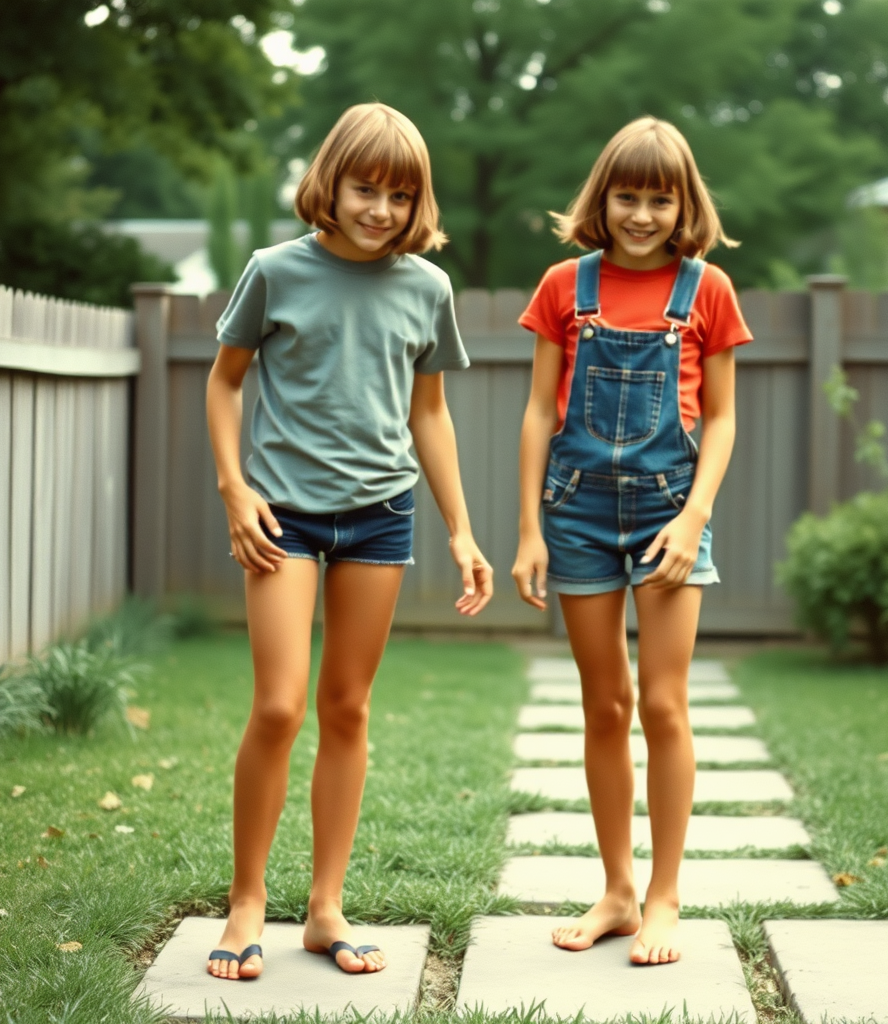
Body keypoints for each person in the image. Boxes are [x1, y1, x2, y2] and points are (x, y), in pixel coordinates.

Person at [205, 103, 493, 980]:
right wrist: (234, 489)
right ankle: (246, 902)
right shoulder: (273, 271)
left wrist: (462, 528)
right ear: (330, 182)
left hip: (380, 515)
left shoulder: (425, 289)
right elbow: (225, 386)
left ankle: (326, 908)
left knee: (348, 709)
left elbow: (430, 414)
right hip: (281, 515)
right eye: (366, 187)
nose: (380, 209)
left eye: (400, 195)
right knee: (281, 705)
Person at [511, 116, 751, 965]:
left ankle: (664, 896)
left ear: (685, 203)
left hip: (667, 517)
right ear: (601, 198)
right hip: (574, 513)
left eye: (660, 198)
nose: (642, 215)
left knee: (664, 704)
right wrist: (529, 529)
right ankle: (615, 889)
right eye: (627, 196)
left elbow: (720, 419)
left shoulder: (707, 290)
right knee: (603, 704)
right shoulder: (563, 285)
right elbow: (541, 411)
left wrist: (692, 519)